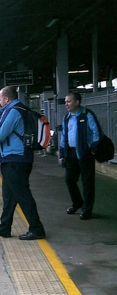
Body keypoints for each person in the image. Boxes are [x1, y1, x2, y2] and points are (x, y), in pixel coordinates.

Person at [0, 86, 46, 240]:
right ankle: (4, 227)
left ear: (6, 99)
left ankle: (37, 229)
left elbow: (1, 135)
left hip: (15, 159)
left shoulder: (13, 111)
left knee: (23, 195)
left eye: (0, 99)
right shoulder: (21, 109)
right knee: (9, 196)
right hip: (16, 158)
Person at [58, 91, 101, 220]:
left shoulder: (87, 115)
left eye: (69, 101)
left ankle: (87, 210)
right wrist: (62, 153)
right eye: (65, 102)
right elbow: (63, 136)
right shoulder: (67, 117)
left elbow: (97, 132)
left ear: (77, 102)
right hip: (71, 153)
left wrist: (93, 149)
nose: (66, 104)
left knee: (87, 183)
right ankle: (77, 202)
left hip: (85, 153)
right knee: (69, 180)